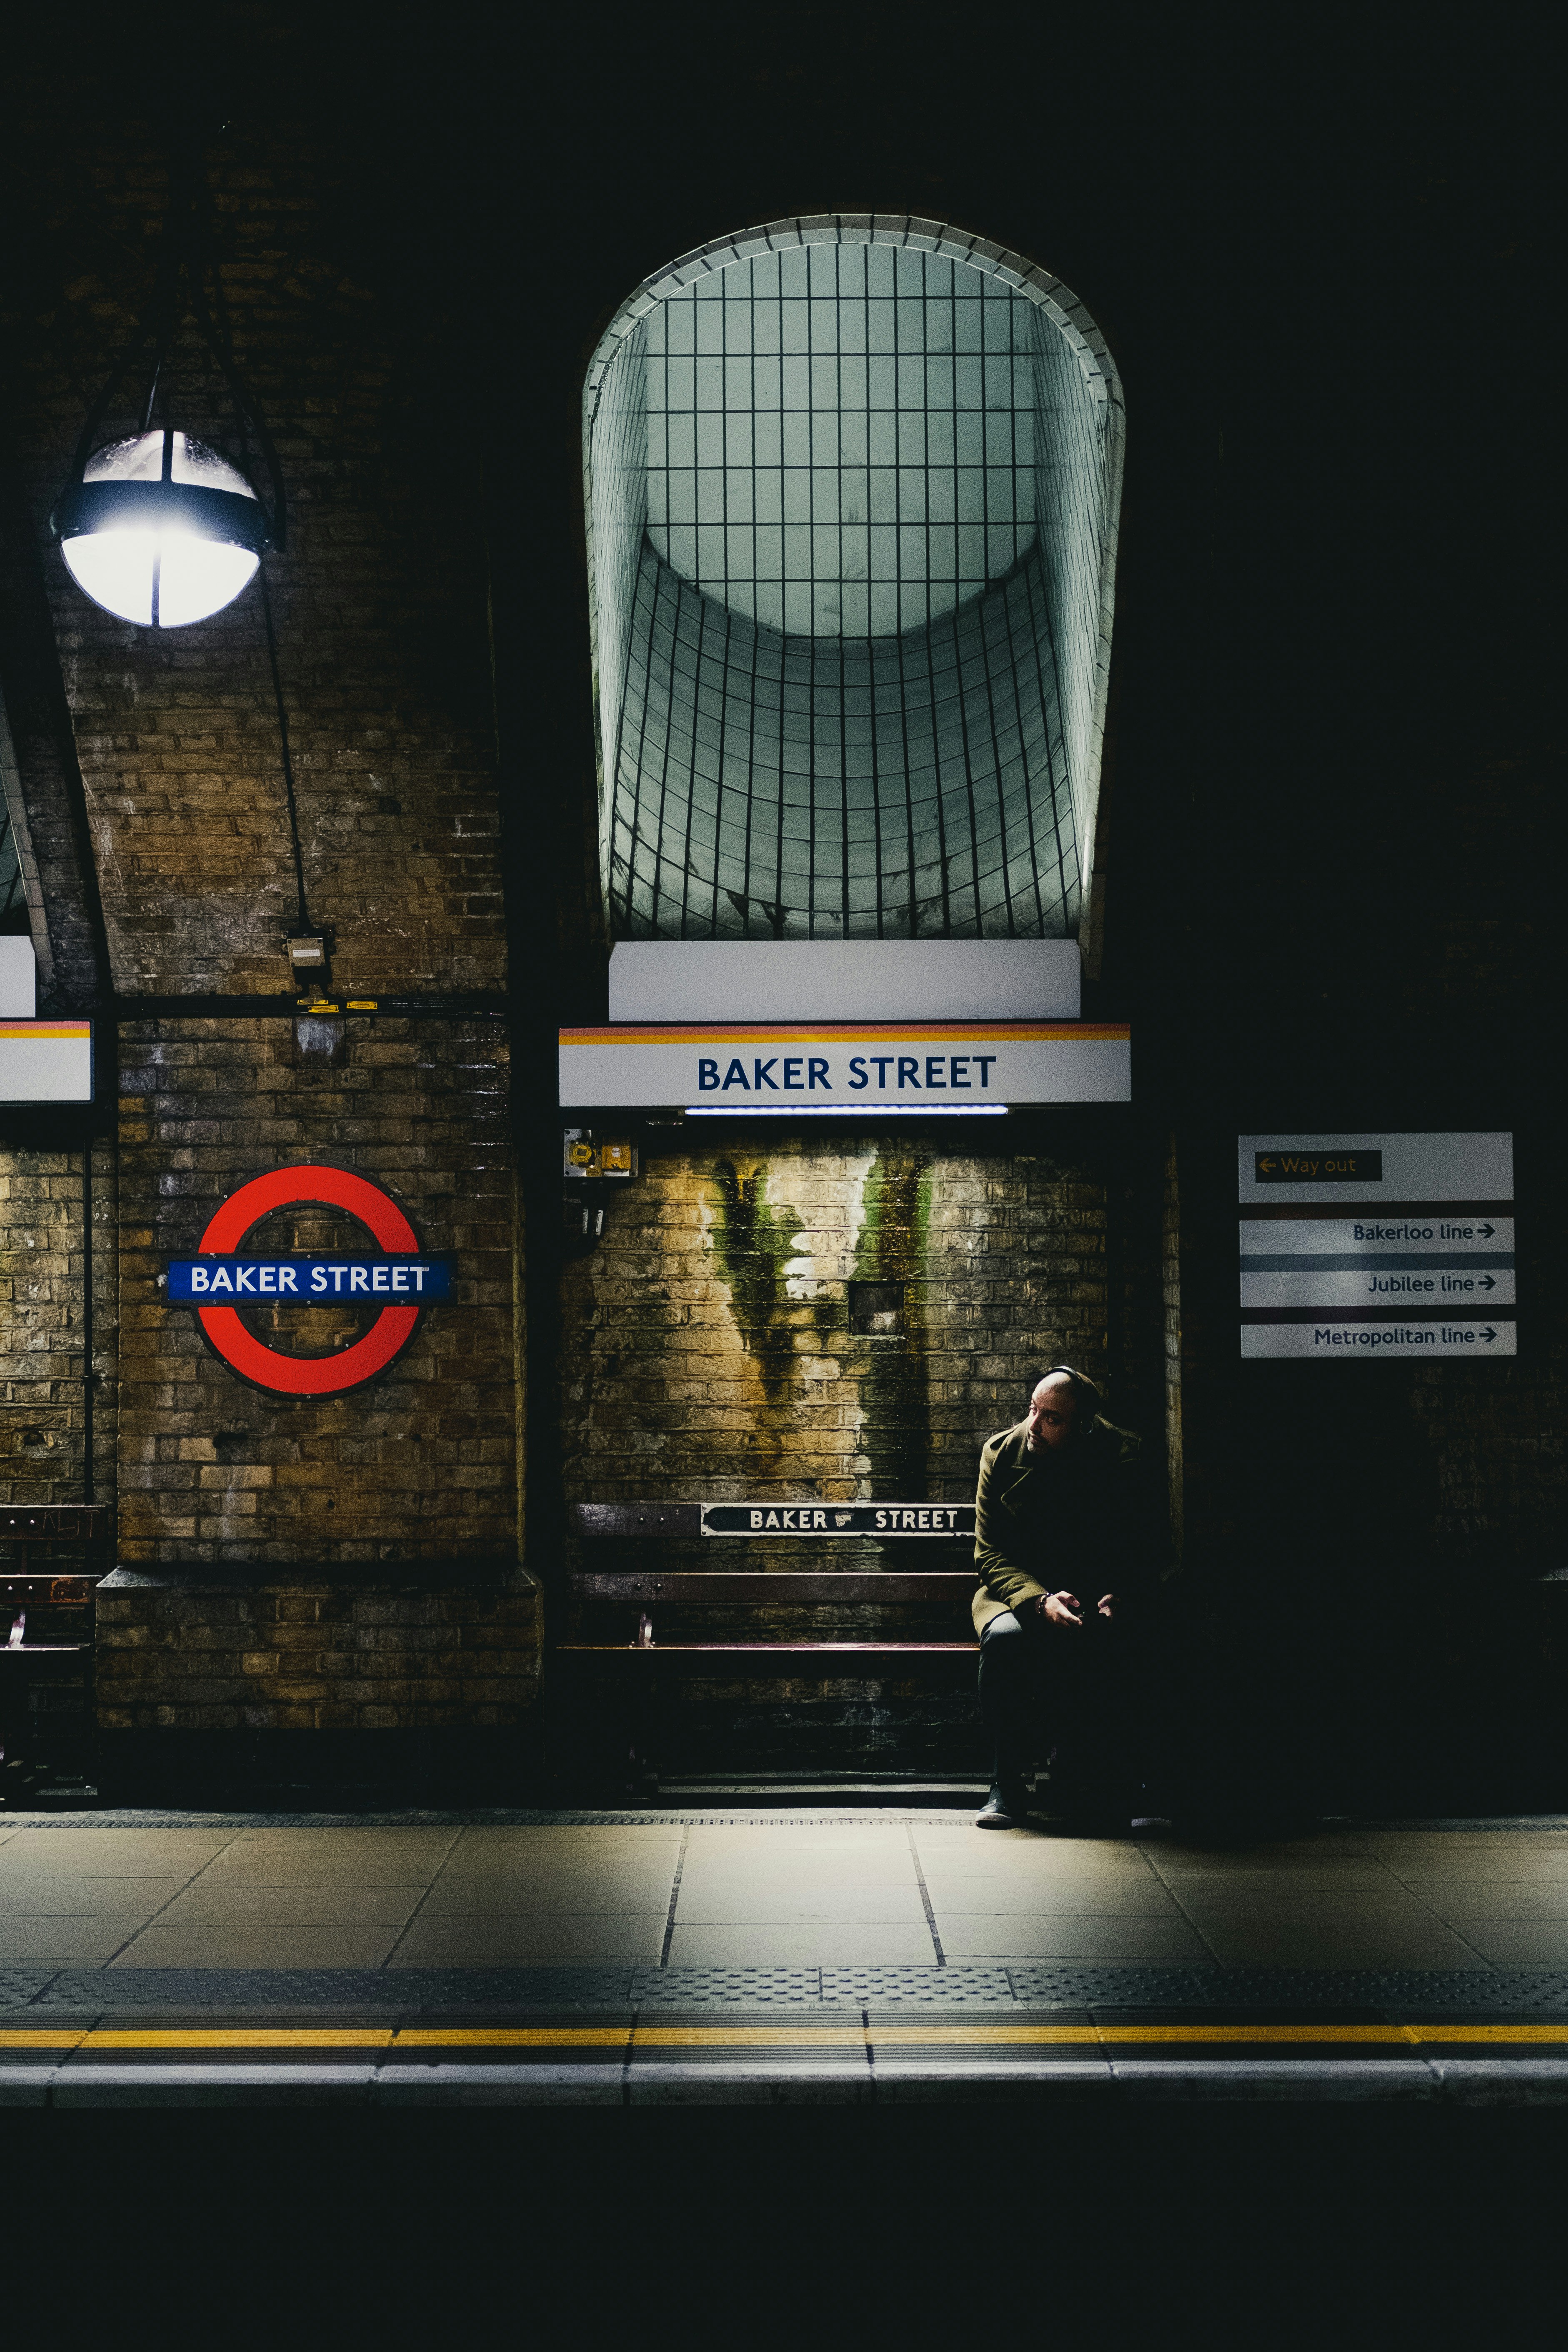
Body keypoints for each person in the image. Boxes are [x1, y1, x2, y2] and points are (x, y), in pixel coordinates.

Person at [972, 1366, 1155, 1830]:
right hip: (1016, 1593)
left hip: (1092, 1594)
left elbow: (1145, 1543)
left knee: (1117, 1639)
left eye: (1051, 1418)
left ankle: (1093, 1782)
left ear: (1083, 1425)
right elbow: (989, 1553)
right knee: (1007, 1641)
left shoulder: (1122, 1455)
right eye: (1033, 1409)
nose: (1033, 1424)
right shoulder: (1001, 1452)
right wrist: (1039, 1600)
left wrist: (1123, 1592)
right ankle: (1005, 1785)